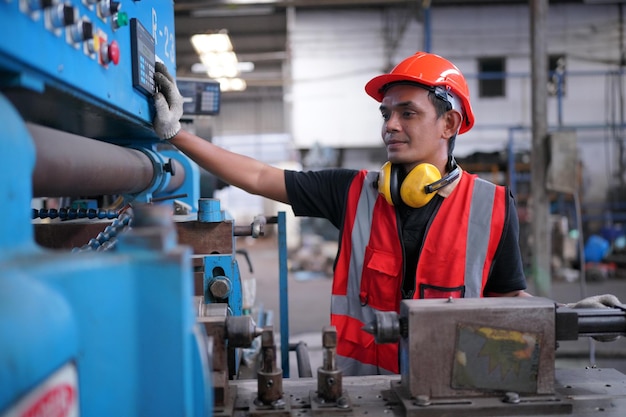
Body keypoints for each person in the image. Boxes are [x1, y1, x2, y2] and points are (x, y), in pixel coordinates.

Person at [152, 52, 619, 376]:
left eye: (407, 114)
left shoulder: (492, 207)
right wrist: (177, 134)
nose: (389, 125)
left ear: (449, 124)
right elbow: (258, 176)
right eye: (386, 113)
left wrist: (563, 312)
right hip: (360, 393)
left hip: (452, 394)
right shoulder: (353, 192)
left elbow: (505, 301)